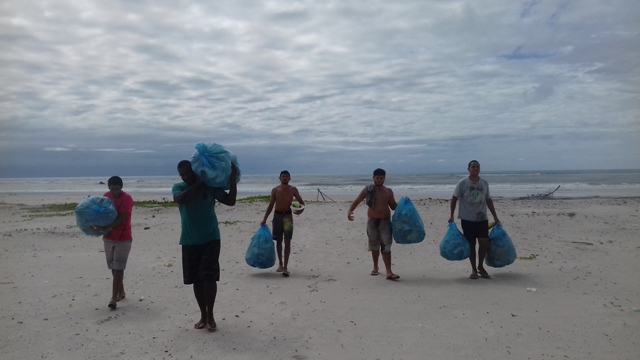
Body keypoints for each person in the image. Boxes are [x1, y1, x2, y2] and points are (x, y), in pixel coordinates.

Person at [172, 160, 237, 331]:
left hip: (211, 238)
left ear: (195, 171)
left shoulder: (210, 188)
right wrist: (197, 184)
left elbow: (231, 201)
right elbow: (180, 199)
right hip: (189, 239)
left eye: (187, 173)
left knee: (209, 276)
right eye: (182, 174)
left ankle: (211, 315)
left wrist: (232, 179)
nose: (185, 177)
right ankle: (202, 315)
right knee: (196, 279)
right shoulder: (178, 187)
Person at [449, 160, 501, 280]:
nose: (475, 168)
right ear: (468, 169)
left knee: (483, 242)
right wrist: (451, 215)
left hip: (482, 218)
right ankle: (473, 269)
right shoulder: (462, 183)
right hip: (467, 219)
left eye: (478, 167)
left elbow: (488, 200)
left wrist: (495, 216)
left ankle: (480, 266)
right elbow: (454, 199)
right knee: (471, 244)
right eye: (473, 167)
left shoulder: (484, 183)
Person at [347, 168, 400, 280]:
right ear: (373, 178)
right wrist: (350, 211)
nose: (379, 180)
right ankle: (375, 267)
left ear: (384, 178)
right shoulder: (368, 190)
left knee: (386, 246)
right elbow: (357, 201)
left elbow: (393, 206)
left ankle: (389, 272)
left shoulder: (388, 191)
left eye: (381, 178)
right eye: (377, 178)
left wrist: (403, 204)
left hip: (385, 221)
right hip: (372, 221)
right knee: (374, 246)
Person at [92, 176, 134, 310]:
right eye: (112, 189)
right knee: (113, 267)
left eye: (117, 189)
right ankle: (121, 292)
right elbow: (101, 213)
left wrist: (108, 226)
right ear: (108, 188)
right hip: (109, 238)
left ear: (121, 187)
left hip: (123, 238)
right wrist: (97, 225)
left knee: (119, 268)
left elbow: (122, 217)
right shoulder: (106, 196)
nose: (115, 192)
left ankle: (113, 299)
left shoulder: (127, 199)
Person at [260, 170, 305, 277]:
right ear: (279, 178)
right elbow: (271, 205)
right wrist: (264, 218)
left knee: (288, 240)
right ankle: (280, 263)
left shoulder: (293, 189)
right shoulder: (275, 190)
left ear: (290, 178)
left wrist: (300, 211)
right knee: (278, 241)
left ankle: (285, 267)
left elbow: (301, 203)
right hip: (277, 216)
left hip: (288, 216)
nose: (285, 178)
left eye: (286, 176)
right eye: (283, 176)